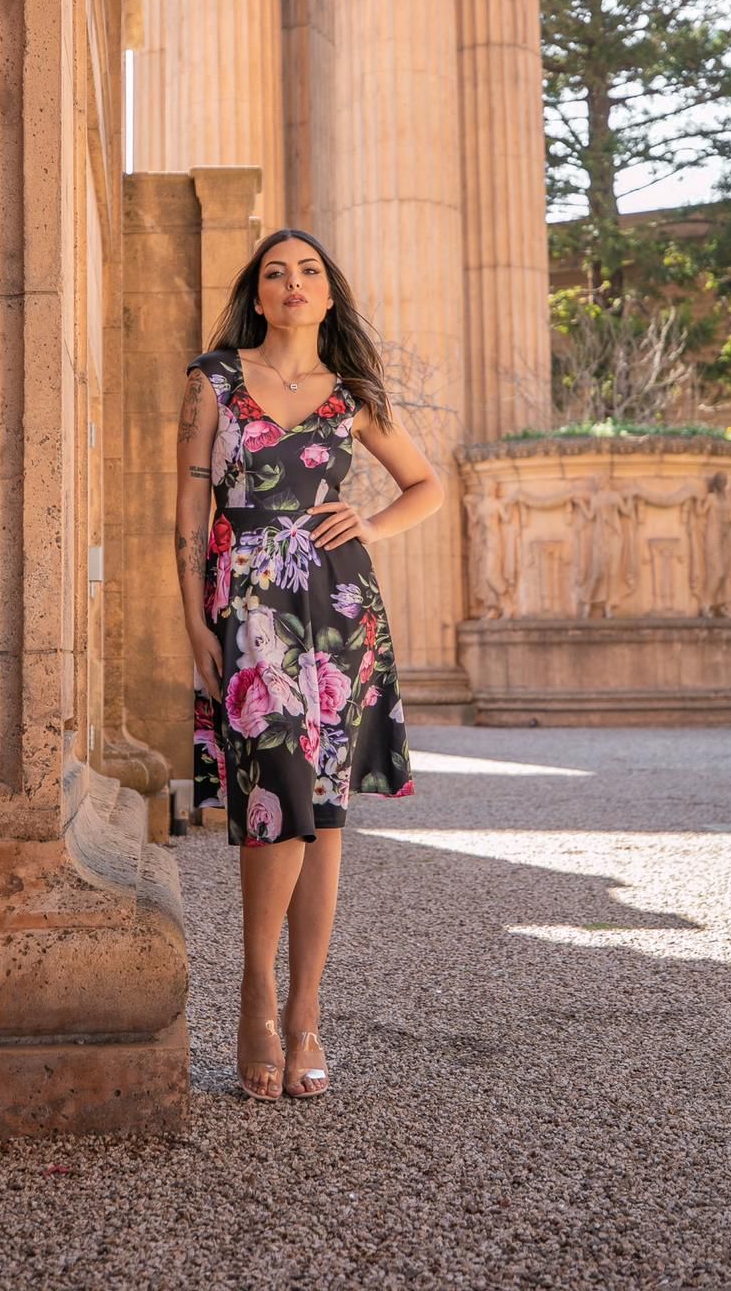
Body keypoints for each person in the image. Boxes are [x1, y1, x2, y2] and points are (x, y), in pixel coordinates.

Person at [174, 228, 444, 1101]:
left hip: (339, 607)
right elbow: (184, 520)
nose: (293, 284)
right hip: (248, 601)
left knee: (323, 808)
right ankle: (256, 996)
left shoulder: (353, 395)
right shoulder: (213, 379)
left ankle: (306, 1015)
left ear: (329, 295)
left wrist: (368, 524)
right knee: (276, 792)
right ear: (257, 294)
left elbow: (425, 486)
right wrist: (194, 623)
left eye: (310, 272)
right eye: (275, 273)